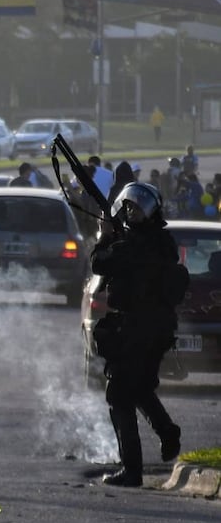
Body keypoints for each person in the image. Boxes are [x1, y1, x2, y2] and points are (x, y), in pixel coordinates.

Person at [90, 182, 182, 486]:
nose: (131, 212)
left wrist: (104, 237)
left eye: (136, 208)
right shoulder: (163, 241)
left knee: (118, 395)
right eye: (128, 207)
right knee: (140, 387)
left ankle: (132, 470)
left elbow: (99, 263)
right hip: (159, 328)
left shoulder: (131, 246)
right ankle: (167, 431)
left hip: (136, 329)